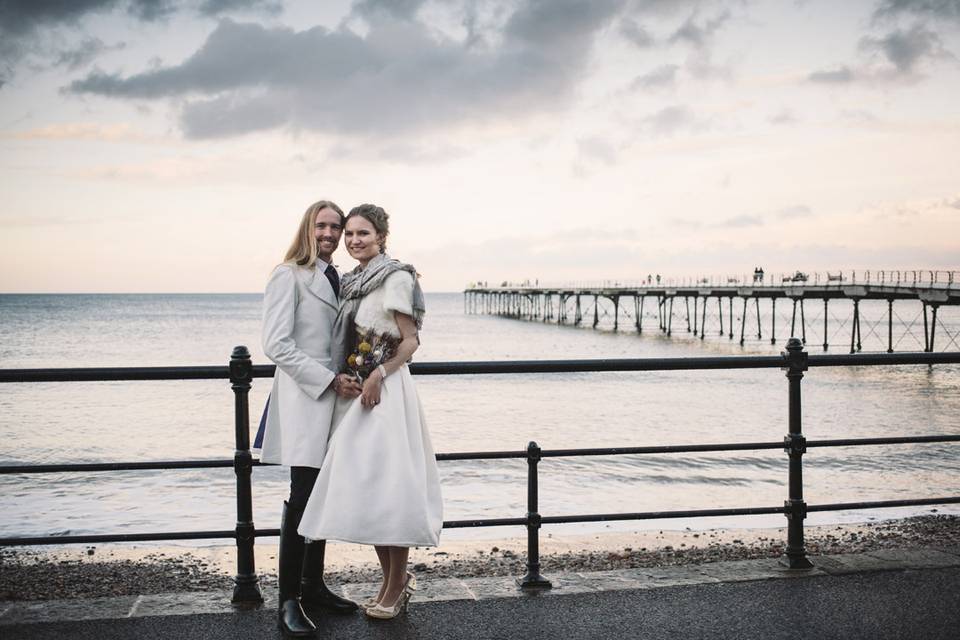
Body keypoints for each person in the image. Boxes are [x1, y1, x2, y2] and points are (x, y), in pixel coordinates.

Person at [298, 203, 443, 620]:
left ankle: (396, 584)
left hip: (387, 394)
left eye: (363, 234)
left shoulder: (395, 277)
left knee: (393, 488)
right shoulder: (353, 281)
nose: (354, 241)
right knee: (376, 490)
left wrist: (379, 373)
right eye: (350, 235)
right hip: (359, 396)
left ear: (381, 237)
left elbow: (412, 341)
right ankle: (390, 581)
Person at [257, 199, 364, 638]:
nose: (330, 234)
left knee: (322, 492)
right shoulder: (288, 275)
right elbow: (276, 344)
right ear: (307, 227)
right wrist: (327, 380)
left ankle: (313, 585)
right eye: (322, 225)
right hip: (307, 396)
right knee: (302, 494)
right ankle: (288, 600)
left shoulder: (335, 276)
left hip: (336, 396)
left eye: (336, 227)